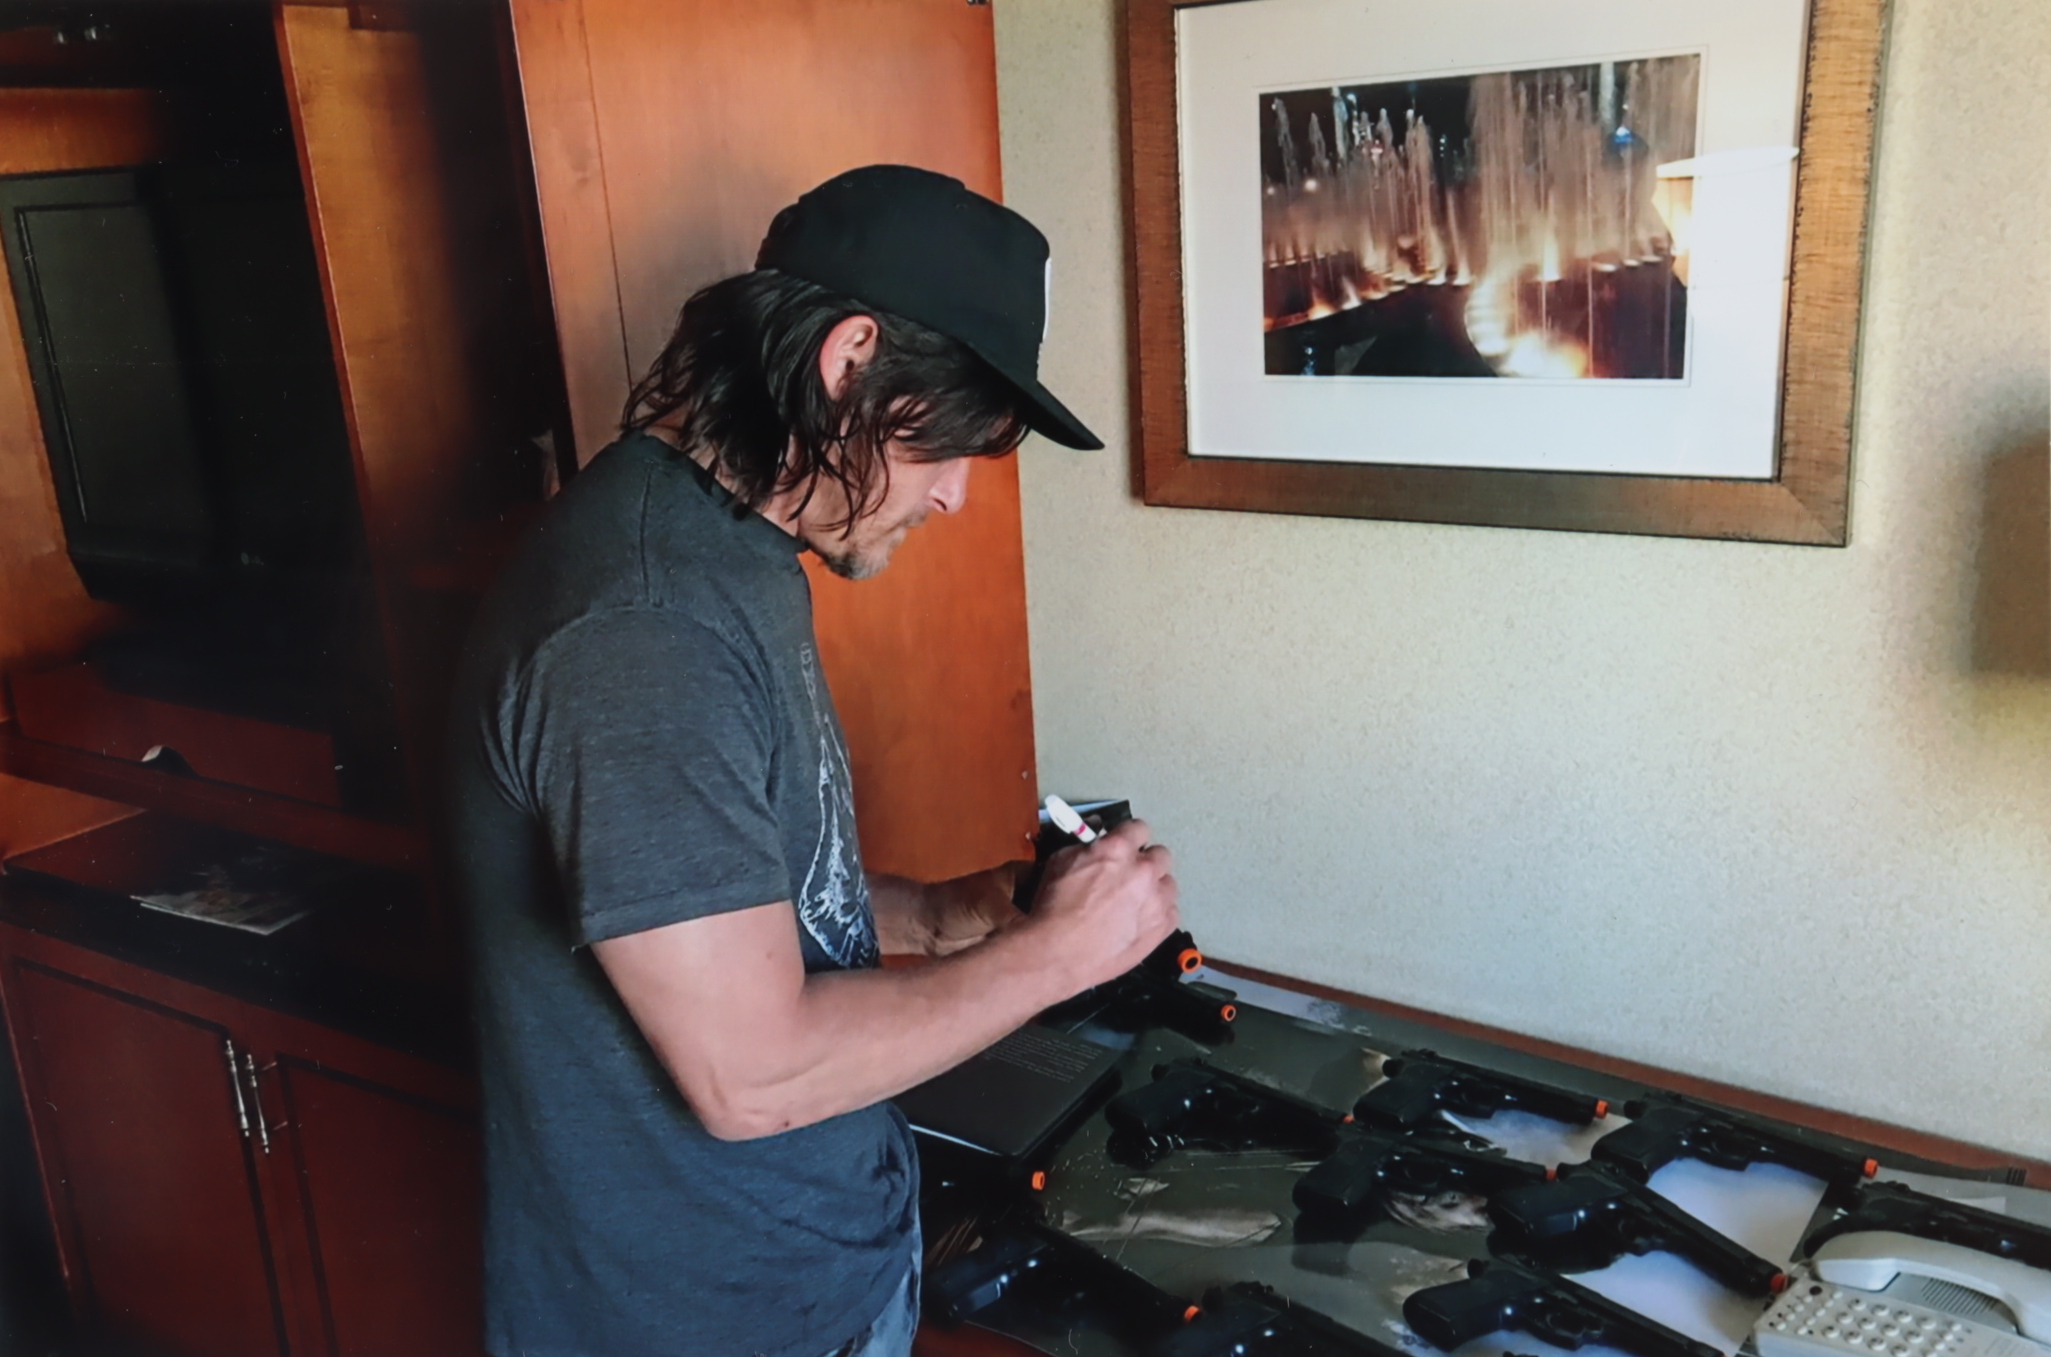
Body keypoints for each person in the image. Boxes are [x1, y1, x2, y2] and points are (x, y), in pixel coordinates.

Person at [446, 164, 1182, 1357]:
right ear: (848, 361)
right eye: (952, 446)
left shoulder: (731, 549)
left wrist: (940, 915)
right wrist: (1058, 956)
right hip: (699, 1323)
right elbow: (750, 1075)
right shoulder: (643, 631)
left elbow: (730, 898)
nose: (953, 496)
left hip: (808, 1275)